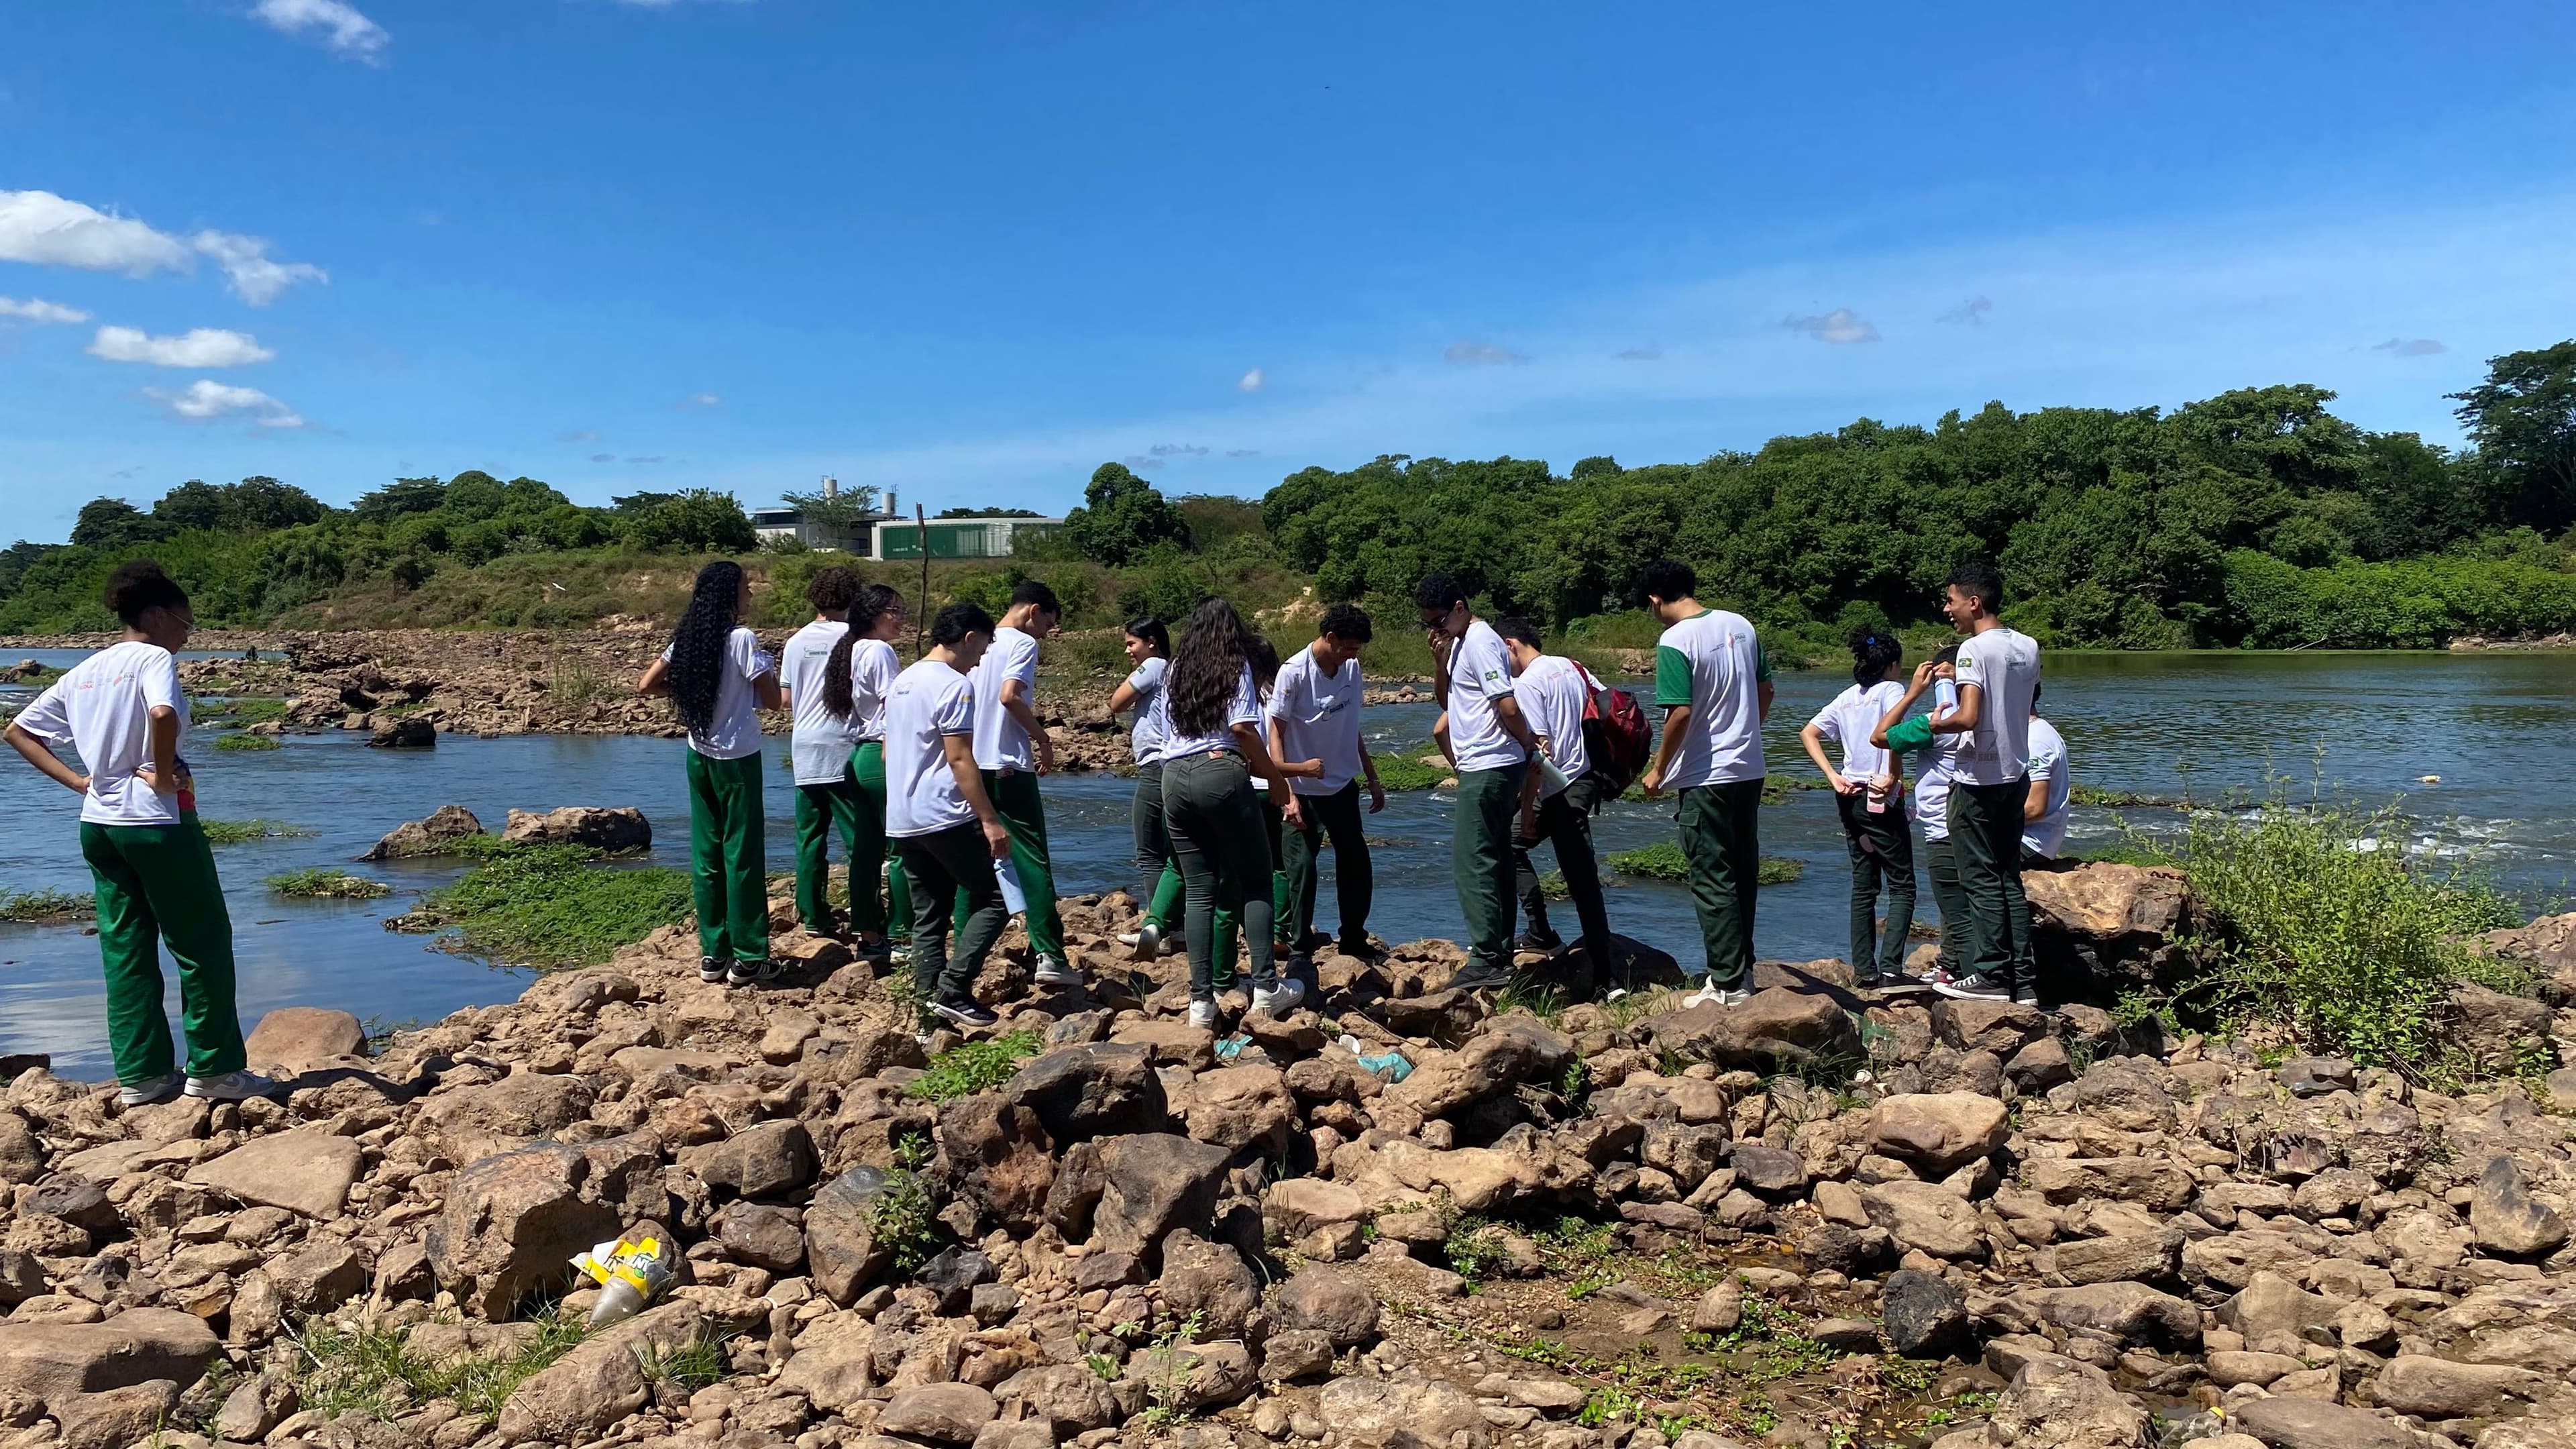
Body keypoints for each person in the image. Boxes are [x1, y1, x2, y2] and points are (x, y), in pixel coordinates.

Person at [1, 561, 274, 1104]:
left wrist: (82, 783)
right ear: (155, 615)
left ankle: (143, 1077)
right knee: (202, 945)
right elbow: (163, 710)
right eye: (185, 623)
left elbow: (18, 731)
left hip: (100, 825)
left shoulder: (86, 670)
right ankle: (216, 1070)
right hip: (157, 823)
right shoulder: (152, 658)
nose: (185, 636)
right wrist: (165, 768)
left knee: (125, 949)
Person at [1161, 598, 1307, 1026]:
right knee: (1257, 881)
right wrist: (1277, 781)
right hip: (1219, 770)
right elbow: (1242, 728)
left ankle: (1201, 1003)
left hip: (1174, 776)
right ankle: (1266, 987)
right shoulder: (1235, 665)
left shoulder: (1175, 669)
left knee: (1200, 890)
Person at [639, 560, 782, 987]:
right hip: (737, 756)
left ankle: (713, 953)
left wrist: (693, 690)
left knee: (707, 853)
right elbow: (772, 701)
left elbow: (647, 685)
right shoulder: (742, 639)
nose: (750, 595)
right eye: (746, 588)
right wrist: (765, 670)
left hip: (698, 753)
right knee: (742, 854)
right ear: (729, 595)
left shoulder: (689, 636)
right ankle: (751, 955)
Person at [1637, 559, 1771, 1006]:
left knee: (1712, 877)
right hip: (1749, 769)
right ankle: (1741, 971)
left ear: (1656, 600)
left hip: (1706, 775)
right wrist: (1748, 730)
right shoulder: (1742, 625)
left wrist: (1658, 771)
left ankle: (1728, 984)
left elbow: (1680, 711)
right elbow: (1766, 690)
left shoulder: (1675, 639)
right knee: (1742, 872)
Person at [883, 602, 1015, 1028]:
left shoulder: (904, 679)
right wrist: (991, 820)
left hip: (903, 815)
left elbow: (889, 750)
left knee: (930, 916)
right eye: (983, 650)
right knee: (996, 898)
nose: (980, 661)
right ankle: (954, 988)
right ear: (969, 637)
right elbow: (959, 759)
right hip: (944, 812)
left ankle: (926, 1018)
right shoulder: (954, 685)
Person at [1926, 562, 2043, 1005]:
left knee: (1979, 878)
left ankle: (1991, 974)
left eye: (1951, 601)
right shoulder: (2028, 646)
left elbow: (1970, 716)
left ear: (1974, 603)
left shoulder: (1973, 649)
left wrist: (1939, 722)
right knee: (2008, 876)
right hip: (2016, 771)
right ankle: (2023, 980)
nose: (1947, 609)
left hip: (1977, 777)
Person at [1417, 575, 1541, 993]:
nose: (1435, 630)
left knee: (1472, 861)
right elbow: (1446, 702)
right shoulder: (1460, 645)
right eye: (1427, 625)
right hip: (1482, 764)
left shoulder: (1484, 640)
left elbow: (1505, 701)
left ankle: (1488, 957)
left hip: (1491, 764)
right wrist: (1439, 660)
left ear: (1459, 606)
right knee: (1495, 856)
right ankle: (1499, 953)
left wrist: (1528, 741)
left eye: (1438, 621)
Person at [966, 580, 1079, 987]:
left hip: (969, 764)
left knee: (975, 860)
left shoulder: (975, 641)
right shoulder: (1022, 643)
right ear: (1032, 612)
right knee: (1032, 860)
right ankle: (1051, 954)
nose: (1049, 632)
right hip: (1008, 764)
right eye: (1048, 622)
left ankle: (965, 955)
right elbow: (1010, 696)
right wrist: (1044, 738)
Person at [1495, 617, 1613, 983]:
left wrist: (1528, 811)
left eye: (1502, 654)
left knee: (1511, 846)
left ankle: (1555, 941)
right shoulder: (1572, 666)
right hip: (1587, 779)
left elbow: (1537, 755)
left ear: (1511, 645)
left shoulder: (1527, 683)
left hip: (1557, 787)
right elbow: (1607, 707)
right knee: (1582, 877)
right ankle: (1594, 957)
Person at [1270, 604, 1385, 965]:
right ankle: (1299, 946)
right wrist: (1286, 790)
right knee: (1301, 867)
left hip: (1342, 787)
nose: (1354, 654)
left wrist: (1372, 777)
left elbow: (1352, 727)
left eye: (1358, 649)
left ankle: (1353, 937)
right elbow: (1276, 730)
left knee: (1356, 861)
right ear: (1330, 638)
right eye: (1349, 646)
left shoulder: (1351, 669)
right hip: (1302, 788)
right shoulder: (1293, 672)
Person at [1800, 627, 1915, 987]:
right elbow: (1893, 733)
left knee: (1864, 885)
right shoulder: (1892, 690)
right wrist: (1895, 775)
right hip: (1879, 794)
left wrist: (1832, 775)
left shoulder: (1847, 697)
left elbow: (1808, 733)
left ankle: (1864, 971)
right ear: (1892, 664)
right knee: (1903, 884)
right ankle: (1892, 968)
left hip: (1848, 793)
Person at [820, 583, 911, 958]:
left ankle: (870, 935)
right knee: (905, 849)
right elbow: (896, 709)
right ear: (875, 614)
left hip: (860, 758)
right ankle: (904, 935)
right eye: (896, 611)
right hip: (882, 754)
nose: (902, 618)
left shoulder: (854, 649)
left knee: (866, 852)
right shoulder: (879, 650)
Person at [1872, 645, 1971, 985]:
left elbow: (1881, 736)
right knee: (1968, 902)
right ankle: (1955, 966)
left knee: (1954, 907)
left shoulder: (1937, 721)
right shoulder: (1985, 713)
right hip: (1977, 822)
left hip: (1943, 826)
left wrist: (1914, 692)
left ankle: (1969, 975)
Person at [780, 567, 865, 939]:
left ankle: (813, 916)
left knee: (810, 838)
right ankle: (867, 917)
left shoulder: (796, 641)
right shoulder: (856, 640)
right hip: (844, 744)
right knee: (859, 839)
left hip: (805, 746)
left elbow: (784, 700)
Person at [1110, 617, 1183, 959]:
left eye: (1131, 643)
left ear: (1151, 642)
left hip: (1154, 766)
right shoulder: (1176, 668)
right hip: (1174, 765)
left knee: (1149, 850)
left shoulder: (1154, 665)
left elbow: (1117, 702)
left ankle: (1159, 928)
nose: (1128, 650)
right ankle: (1177, 926)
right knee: (1174, 851)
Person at [2021, 687, 2070, 863]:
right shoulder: (2030, 732)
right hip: (2030, 840)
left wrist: (1983, 823)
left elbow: (2035, 809)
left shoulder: (2034, 741)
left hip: (2030, 844)